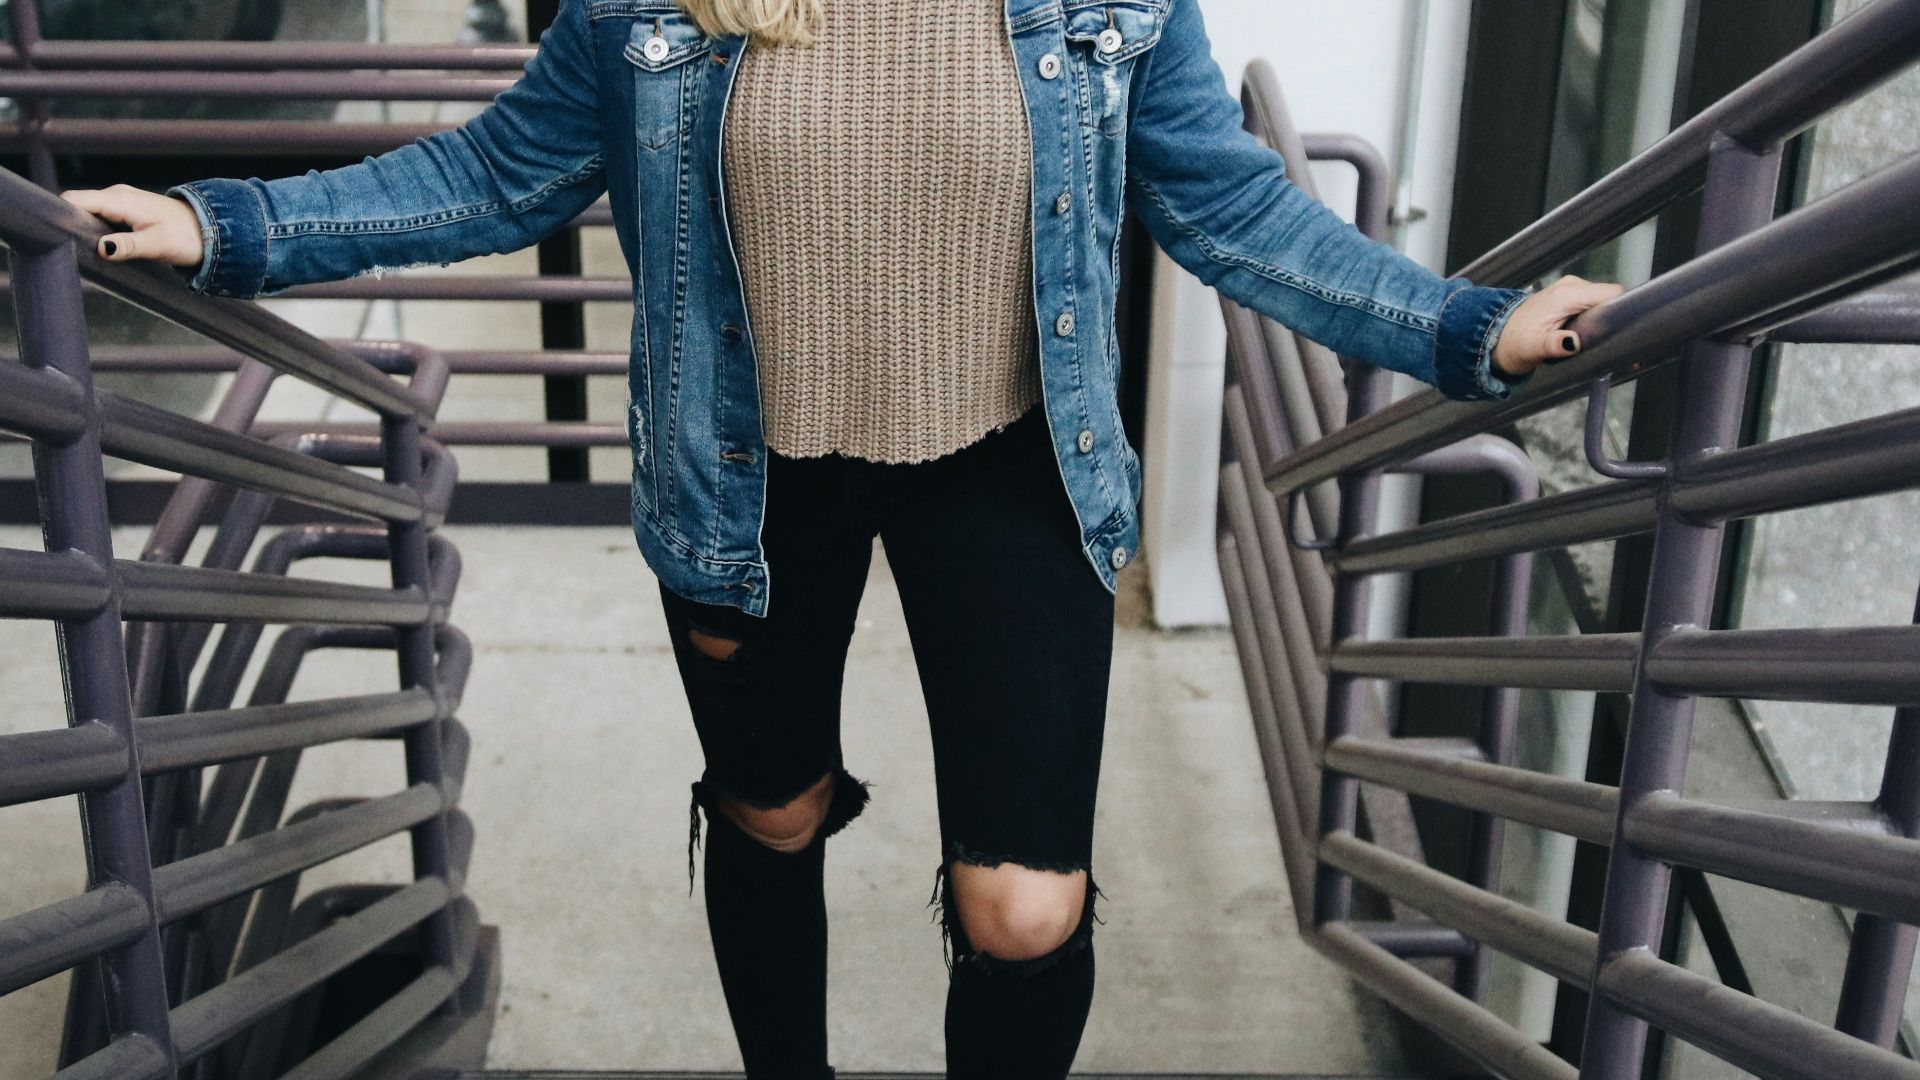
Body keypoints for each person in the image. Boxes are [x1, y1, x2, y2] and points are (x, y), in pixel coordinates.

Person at [64, 0, 1622, 1075]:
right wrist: (235, 227)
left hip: (1010, 458)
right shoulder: (656, 4)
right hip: (747, 483)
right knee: (774, 813)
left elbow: (1232, 212)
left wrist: (1469, 330)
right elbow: (494, 174)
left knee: (1026, 908)